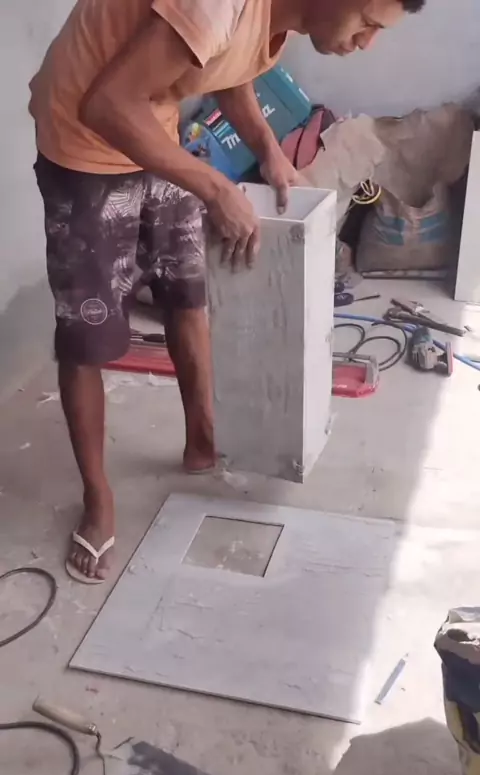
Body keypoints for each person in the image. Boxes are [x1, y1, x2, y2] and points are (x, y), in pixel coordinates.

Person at [29, 0, 425, 584]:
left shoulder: (278, 17)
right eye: (367, 22)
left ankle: (202, 437)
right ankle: (98, 497)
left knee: (186, 293)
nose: (367, 42)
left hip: (150, 125)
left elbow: (226, 66)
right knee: (89, 335)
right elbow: (106, 104)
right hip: (85, 140)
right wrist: (215, 188)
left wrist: (268, 151)